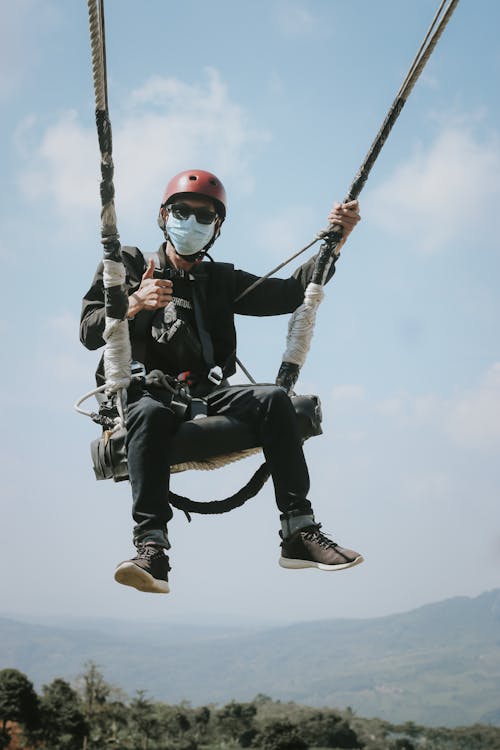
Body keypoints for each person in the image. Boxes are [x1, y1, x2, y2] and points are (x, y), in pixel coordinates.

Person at [80, 169, 363, 594]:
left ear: (216, 227)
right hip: (144, 397)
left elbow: (290, 294)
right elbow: (89, 331)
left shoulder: (220, 281)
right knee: (151, 413)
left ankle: (298, 532)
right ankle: (152, 548)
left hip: (207, 395)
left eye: (203, 216)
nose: (191, 223)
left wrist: (336, 241)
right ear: (164, 216)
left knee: (273, 399)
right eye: (182, 212)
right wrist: (133, 302)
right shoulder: (128, 265)